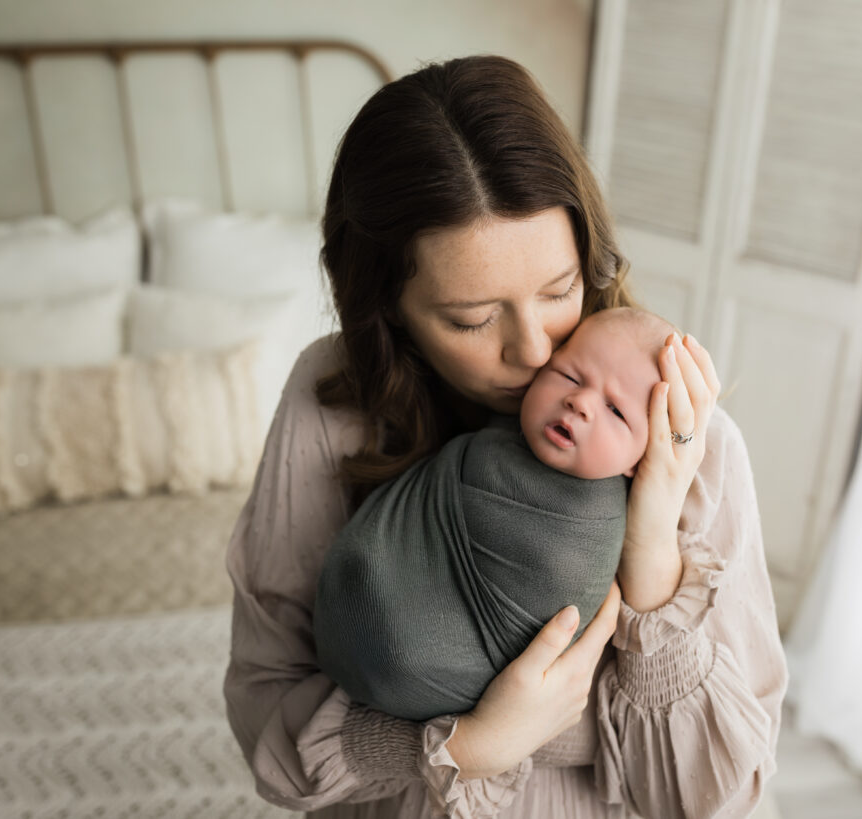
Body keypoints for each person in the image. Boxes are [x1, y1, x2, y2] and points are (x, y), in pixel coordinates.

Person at [224, 55, 788, 819]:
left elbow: (713, 800)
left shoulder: (685, 436)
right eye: (471, 318)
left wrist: (653, 551)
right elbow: (269, 722)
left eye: (560, 292)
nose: (533, 348)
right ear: (386, 307)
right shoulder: (334, 401)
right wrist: (465, 747)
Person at [313, 308, 674, 723]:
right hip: (355, 588)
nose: (581, 402)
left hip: (425, 669)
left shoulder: (595, 524)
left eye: (616, 411)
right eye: (570, 376)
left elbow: (558, 591)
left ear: (642, 457)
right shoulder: (506, 428)